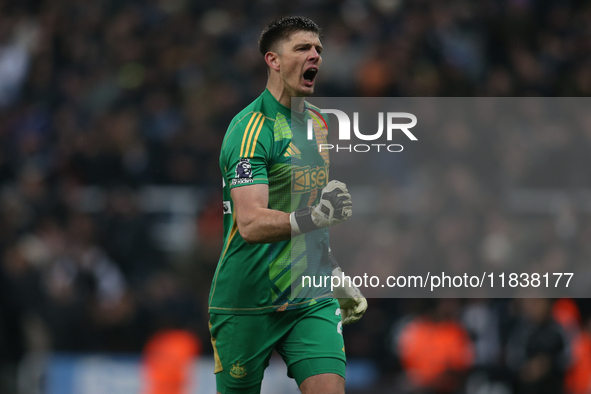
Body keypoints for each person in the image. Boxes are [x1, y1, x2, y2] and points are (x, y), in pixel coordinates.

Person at [208, 16, 367, 394]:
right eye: (302, 48)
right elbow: (249, 223)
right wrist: (315, 217)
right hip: (246, 301)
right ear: (273, 60)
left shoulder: (319, 125)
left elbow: (313, 215)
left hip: (308, 298)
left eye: (318, 50)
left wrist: (332, 272)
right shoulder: (250, 130)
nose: (315, 56)